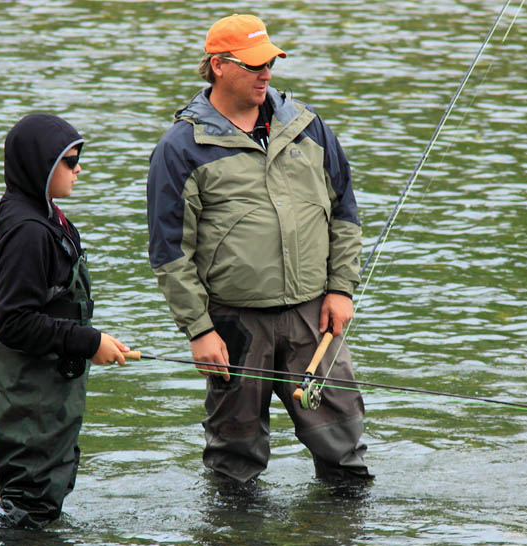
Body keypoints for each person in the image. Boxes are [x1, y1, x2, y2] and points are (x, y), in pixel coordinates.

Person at [147, 14, 371, 484]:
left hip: (315, 315)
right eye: (254, 65)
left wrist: (342, 290)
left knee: (345, 452)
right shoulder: (180, 148)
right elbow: (170, 253)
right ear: (218, 67)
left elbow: (345, 211)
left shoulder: (308, 127)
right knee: (234, 463)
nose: (266, 72)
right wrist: (199, 330)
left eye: (269, 61)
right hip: (233, 326)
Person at [0, 113, 129, 529]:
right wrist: (87, 341)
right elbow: (16, 323)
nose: (79, 168)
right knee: (31, 497)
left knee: (46, 484)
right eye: (69, 160)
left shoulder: (40, 211)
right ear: (39, 165)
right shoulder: (28, 230)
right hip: (28, 379)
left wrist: (90, 343)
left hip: (44, 370)